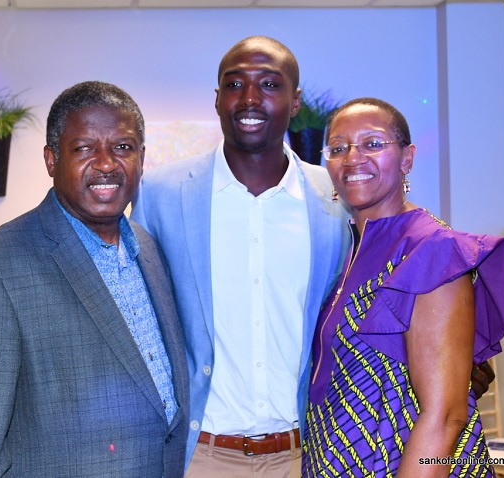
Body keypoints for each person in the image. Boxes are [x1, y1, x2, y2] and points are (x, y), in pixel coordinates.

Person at [0, 81, 189, 477]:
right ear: (52, 160)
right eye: (85, 148)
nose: (106, 163)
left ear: (141, 157)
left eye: (122, 147)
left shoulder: (147, 248)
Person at [131, 36, 350, 477]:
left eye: (270, 84)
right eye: (234, 84)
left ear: (295, 102)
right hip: (201, 456)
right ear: (217, 100)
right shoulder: (159, 193)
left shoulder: (335, 199)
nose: (249, 98)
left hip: (304, 454)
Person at [302, 97, 504, 477]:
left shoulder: (430, 249)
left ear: (407, 158)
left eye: (373, 143)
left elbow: (445, 416)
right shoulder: (350, 249)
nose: (353, 157)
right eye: (338, 148)